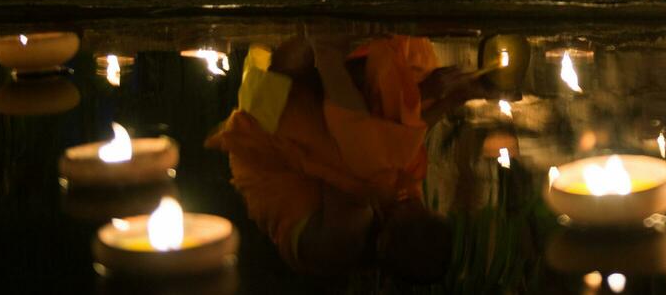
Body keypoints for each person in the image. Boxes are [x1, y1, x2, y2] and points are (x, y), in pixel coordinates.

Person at [205, 34, 481, 280]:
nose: (408, 202)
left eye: (408, 212)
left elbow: (367, 154)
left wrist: (423, 95)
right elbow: (397, 152)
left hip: (269, 134)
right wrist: (450, 100)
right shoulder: (392, 212)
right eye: (420, 207)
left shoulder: (345, 241)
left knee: (381, 142)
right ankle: (337, 44)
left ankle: (323, 43)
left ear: (388, 242)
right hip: (323, 135)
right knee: (405, 95)